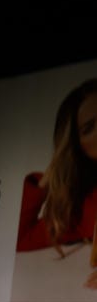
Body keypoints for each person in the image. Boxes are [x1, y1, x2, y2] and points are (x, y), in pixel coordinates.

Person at [16, 77, 97, 288]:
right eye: (89, 128)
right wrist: (46, 181)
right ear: (76, 145)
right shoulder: (78, 210)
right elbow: (20, 240)